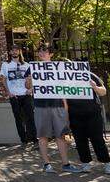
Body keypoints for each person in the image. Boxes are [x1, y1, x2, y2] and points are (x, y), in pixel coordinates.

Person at [30, 44, 85, 174]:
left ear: (51, 54)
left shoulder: (59, 68)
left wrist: (66, 109)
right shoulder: (33, 68)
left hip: (58, 105)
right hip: (41, 106)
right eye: (40, 51)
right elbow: (27, 84)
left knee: (61, 136)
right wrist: (30, 80)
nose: (42, 53)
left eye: (45, 51)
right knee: (43, 136)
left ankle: (66, 164)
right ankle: (46, 164)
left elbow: (64, 89)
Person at [67, 64, 110, 175]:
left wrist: (95, 87)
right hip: (74, 114)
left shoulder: (90, 76)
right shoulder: (64, 79)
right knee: (80, 140)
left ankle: (107, 163)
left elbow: (103, 91)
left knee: (97, 139)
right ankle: (85, 163)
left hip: (92, 114)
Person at [0, 45, 36, 146]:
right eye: (13, 50)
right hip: (14, 96)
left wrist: (30, 89)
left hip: (26, 94)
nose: (15, 52)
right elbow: (3, 80)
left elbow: (33, 79)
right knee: (19, 119)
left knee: (30, 117)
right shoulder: (5, 65)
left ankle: (34, 139)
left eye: (17, 50)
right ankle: (23, 140)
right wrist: (8, 93)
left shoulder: (27, 65)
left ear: (20, 52)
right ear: (10, 52)